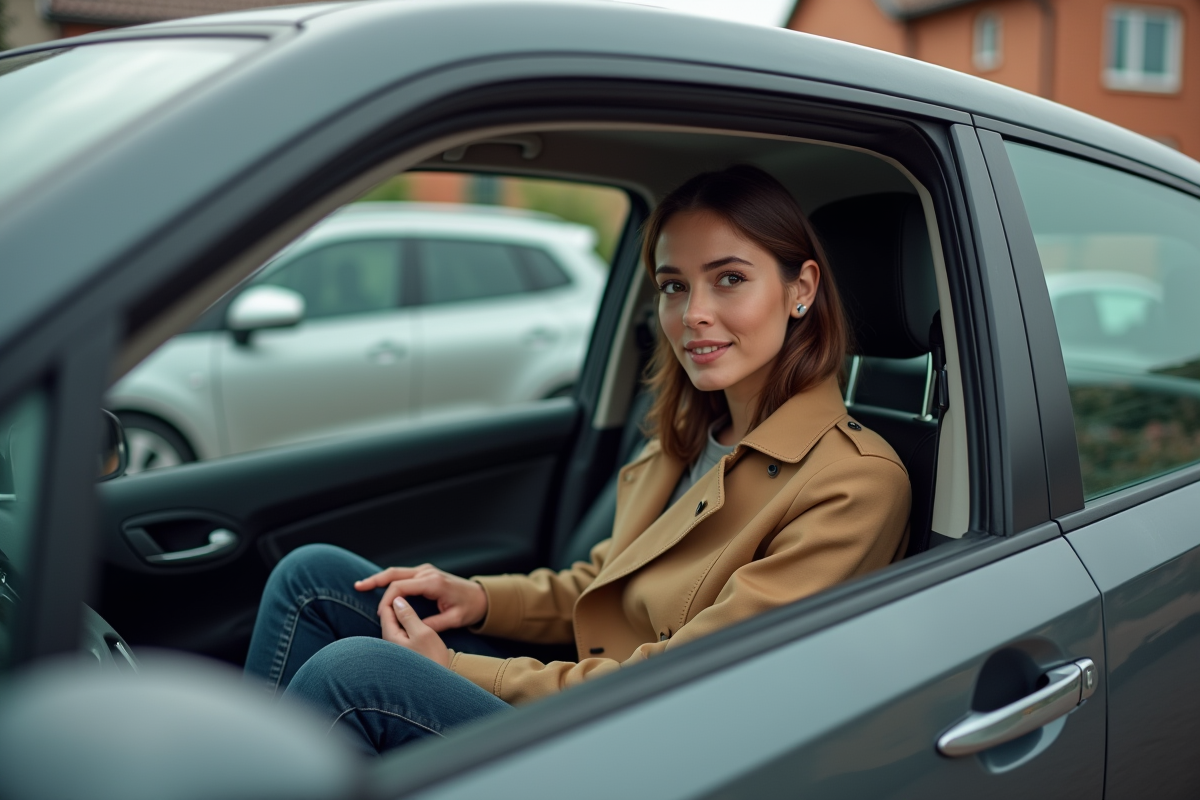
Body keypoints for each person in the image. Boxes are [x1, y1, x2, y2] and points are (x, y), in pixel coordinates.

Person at [244, 165, 912, 755]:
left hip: (651, 741)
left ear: (802, 290)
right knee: (315, 580)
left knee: (355, 675)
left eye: (729, 279)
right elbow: (600, 585)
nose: (694, 314)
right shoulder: (689, 435)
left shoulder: (853, 482)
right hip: (592, 690)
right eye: (674, 286)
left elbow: (685, 680)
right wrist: (476, 600)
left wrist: (455, 668)